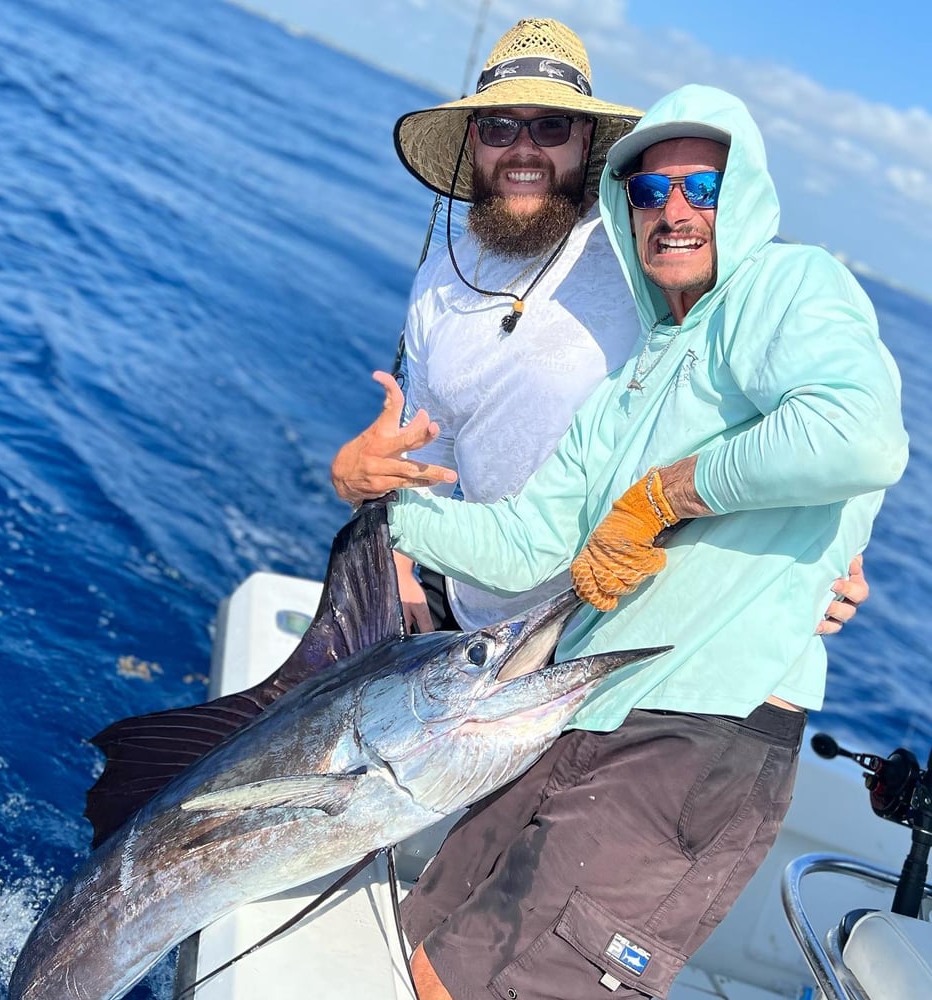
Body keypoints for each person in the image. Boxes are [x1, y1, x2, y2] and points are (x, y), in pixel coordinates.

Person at [345, 84, 909, 999]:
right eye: (648, 194)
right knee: (418, 946)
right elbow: (531, 543)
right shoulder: (633, 378)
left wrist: (662, 497)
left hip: (700, 735)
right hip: (581, 709)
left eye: (702, 188)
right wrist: (379, 503)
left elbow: (858, 436)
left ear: (749, 195)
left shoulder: (788, 286)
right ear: (623, 209)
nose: (674, 211)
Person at [331, 18, 868, 637]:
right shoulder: (440, 276)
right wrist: (396, 566)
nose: (523, 149)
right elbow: (428, 446)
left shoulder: (649, 255)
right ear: (472, 140)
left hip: (607, 629)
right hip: (466, 605)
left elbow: (810, 401)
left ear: (586, 140)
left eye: (551, 126)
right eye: (500, 126)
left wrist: (833, 546)